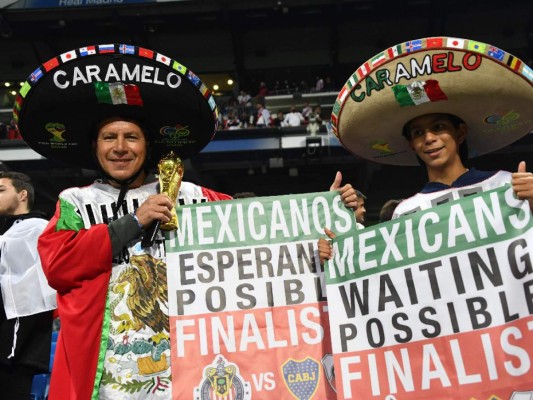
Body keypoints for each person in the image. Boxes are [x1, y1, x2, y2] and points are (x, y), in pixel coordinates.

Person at [15, 44, 358, 400]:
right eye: (109, 138)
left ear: (148, 146)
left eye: (131, 137)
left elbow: (261, 238)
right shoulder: (76, 201)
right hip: (109, 379)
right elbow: (58, 266)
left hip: (190, 370)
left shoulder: (195, 195)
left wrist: (326, 212)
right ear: (95, 146)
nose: (120, 147)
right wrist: (134, 220)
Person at [320, 36, 533, 263]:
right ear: (412, 144)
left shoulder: (508, 186)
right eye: (418, 133)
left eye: (438, 127)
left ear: (460, 133)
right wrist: (337, 256)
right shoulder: (404, 212)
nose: (429, 138)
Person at [0, 171, 56, 399]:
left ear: (22, 194)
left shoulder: (37, 226)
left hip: (20, 333)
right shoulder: (10, 231)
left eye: (1, 190)